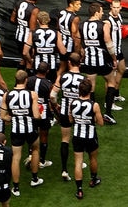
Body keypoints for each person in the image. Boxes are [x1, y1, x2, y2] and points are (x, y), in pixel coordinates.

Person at [2, 70, 44, 196]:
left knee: (16, 157)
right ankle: (35, 179)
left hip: (16, 130)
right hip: (30, 129)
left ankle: (15, 188)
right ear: (26, 80)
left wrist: (13, 117)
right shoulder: (32, 94)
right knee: (35, 150)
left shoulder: (7, 95)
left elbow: (3, 116)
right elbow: (36, 115)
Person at [79, 2, 119, 124]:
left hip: (89, 60)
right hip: (102, 59)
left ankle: (91, 113)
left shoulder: (82, 25)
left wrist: (82, 56)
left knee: (91, 86)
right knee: (111, 82)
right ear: (96, 12)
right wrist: (114, 58)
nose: (102, 13)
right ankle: (107, 113)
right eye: (101, 11)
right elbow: (108, 42)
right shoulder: (104, 25)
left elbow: (80, 44)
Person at [50, 52, 86, 182]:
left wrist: (56, 106)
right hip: (78, 111)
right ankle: (79, 162)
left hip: (65, 111)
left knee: (65, 139)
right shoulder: (83, 79)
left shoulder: (62, 76)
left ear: (69, 63)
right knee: (79, 136)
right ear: (80, 62)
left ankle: (64, 169)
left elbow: (53, 96)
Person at [70, 78, 104, 200]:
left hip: (77, 136)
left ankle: (79, 190)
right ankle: (93, 180)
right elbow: (100, 123)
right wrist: (91, 119)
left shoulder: (73, 103)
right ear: (90, 91)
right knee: (93, 158)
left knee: (78, 162)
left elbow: (70, 120)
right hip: (90, 136)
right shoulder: (94, 105)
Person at [26, 62, 56, 169]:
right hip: (43, 111)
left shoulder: (28, 80)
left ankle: (30, 155)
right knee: (43, 135)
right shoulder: (48, 84)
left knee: (32, 132)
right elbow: (51, 99)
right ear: (47, 71)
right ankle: (42, 160)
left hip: (30, 109)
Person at [10, 0, 42, 72]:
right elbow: (32, 28)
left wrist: (21, 22)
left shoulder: (18, 3)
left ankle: (19, 78)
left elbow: (12, 19)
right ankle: (27, 80)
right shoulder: (34, 9)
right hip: (27, 38)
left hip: (18, 36)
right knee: (30, 60)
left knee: (23, 58)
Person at [31, 11, 65, 83]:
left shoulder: (33, 33)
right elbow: (63, 51)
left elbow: (25, 52)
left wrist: (30, 60)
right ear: (49, 20)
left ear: (37, 21)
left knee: (37, 85)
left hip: (38, 64)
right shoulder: (56, 33)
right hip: (51, 65)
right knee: (50, 87)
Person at [107, 0, 128, 105]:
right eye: (114, 7)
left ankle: (115, 93)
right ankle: (109, 102)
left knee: (122, 69)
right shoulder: (107, 20)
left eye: (117, 7)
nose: (116, 10)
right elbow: (105, 37)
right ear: (111, 7)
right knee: (110, 78)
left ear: (121, 7)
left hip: (119, 49)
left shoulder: (119, 16)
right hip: (111, 53)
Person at [57, 0, 83, 76]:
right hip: (69, 46)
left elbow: (58, 28)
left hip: (61, 43)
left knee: (62, 66)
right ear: (71, 4)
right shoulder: (75, 18)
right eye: (77, 4)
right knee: (71, 67)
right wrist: (77, 51)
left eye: (80, 4)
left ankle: (57, 83)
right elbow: (74, 36)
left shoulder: (61, 12)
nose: (80, 6)